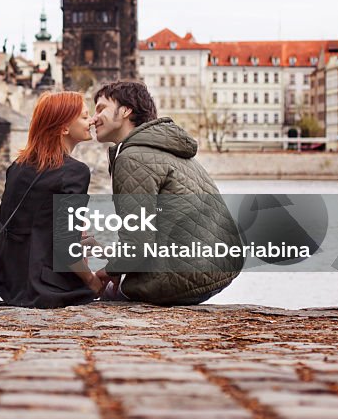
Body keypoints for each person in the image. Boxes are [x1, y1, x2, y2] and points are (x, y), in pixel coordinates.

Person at [91, 81, 242, 305]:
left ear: (125, 110)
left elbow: (138, 240)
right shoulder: (163, 147)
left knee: (105, 301)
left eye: (101, 108)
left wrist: (109, 271)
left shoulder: (134, 157)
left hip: (185, 274)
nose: (94, 118)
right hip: (219, 265)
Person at [0, 91, 105, 308]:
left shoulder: (17, 167)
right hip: (47, 290)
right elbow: (65, 246)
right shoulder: (75, 172)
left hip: (8, 285)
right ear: (64, 128)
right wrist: (91, 281)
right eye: (83, 116)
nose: (90, 121)